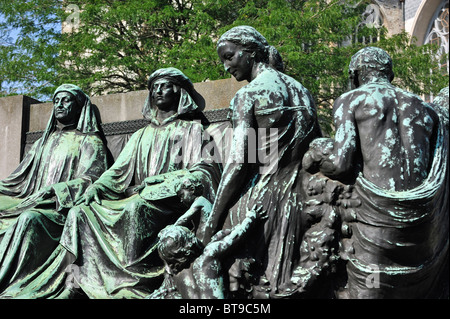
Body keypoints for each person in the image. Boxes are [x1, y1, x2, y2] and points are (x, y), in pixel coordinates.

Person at [17, 67, 220, 299]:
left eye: (165, 86)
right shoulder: (140, 135)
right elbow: (116, 173)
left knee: (135, 208)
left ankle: (131, 284)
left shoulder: (195, 130)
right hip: (139, 196)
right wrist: (96, 188)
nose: (158, 91)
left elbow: (207, 170)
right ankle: (75, 282)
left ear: (179, 92)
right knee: (80, 212)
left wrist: (166, 180)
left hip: (167, 201)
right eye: (154, 87)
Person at [303, 47, 448, 298]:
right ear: (389, 74)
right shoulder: (424, 108)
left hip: (377, 225)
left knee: (370, 286)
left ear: (357, 73)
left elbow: (341, 164)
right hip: (425, 230)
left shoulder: (352, 99)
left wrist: (315, 157)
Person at [204, 26, 323, 298]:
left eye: (229, 56)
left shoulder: (248, 95)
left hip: (263, 202)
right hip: (302, 198)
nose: (225, 67)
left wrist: (212, 221)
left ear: (250, 52)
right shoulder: (302, 90)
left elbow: (238, 164)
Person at [0, 84, 109, 297]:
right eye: (56, 100)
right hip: (28, 198)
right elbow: (17, 179)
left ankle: (10, 282)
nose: (59, 104)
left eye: (66, 100)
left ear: (79, 107)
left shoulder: (89, 141)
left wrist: (55, 190)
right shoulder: (42, 142)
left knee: (29, 218)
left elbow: (92, 180)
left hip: (57, 209)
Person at [150, 206, 265, 299]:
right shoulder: (207, 257)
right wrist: (251, 217)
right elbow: (234, 238)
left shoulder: (175, 276)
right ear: (189, 243)